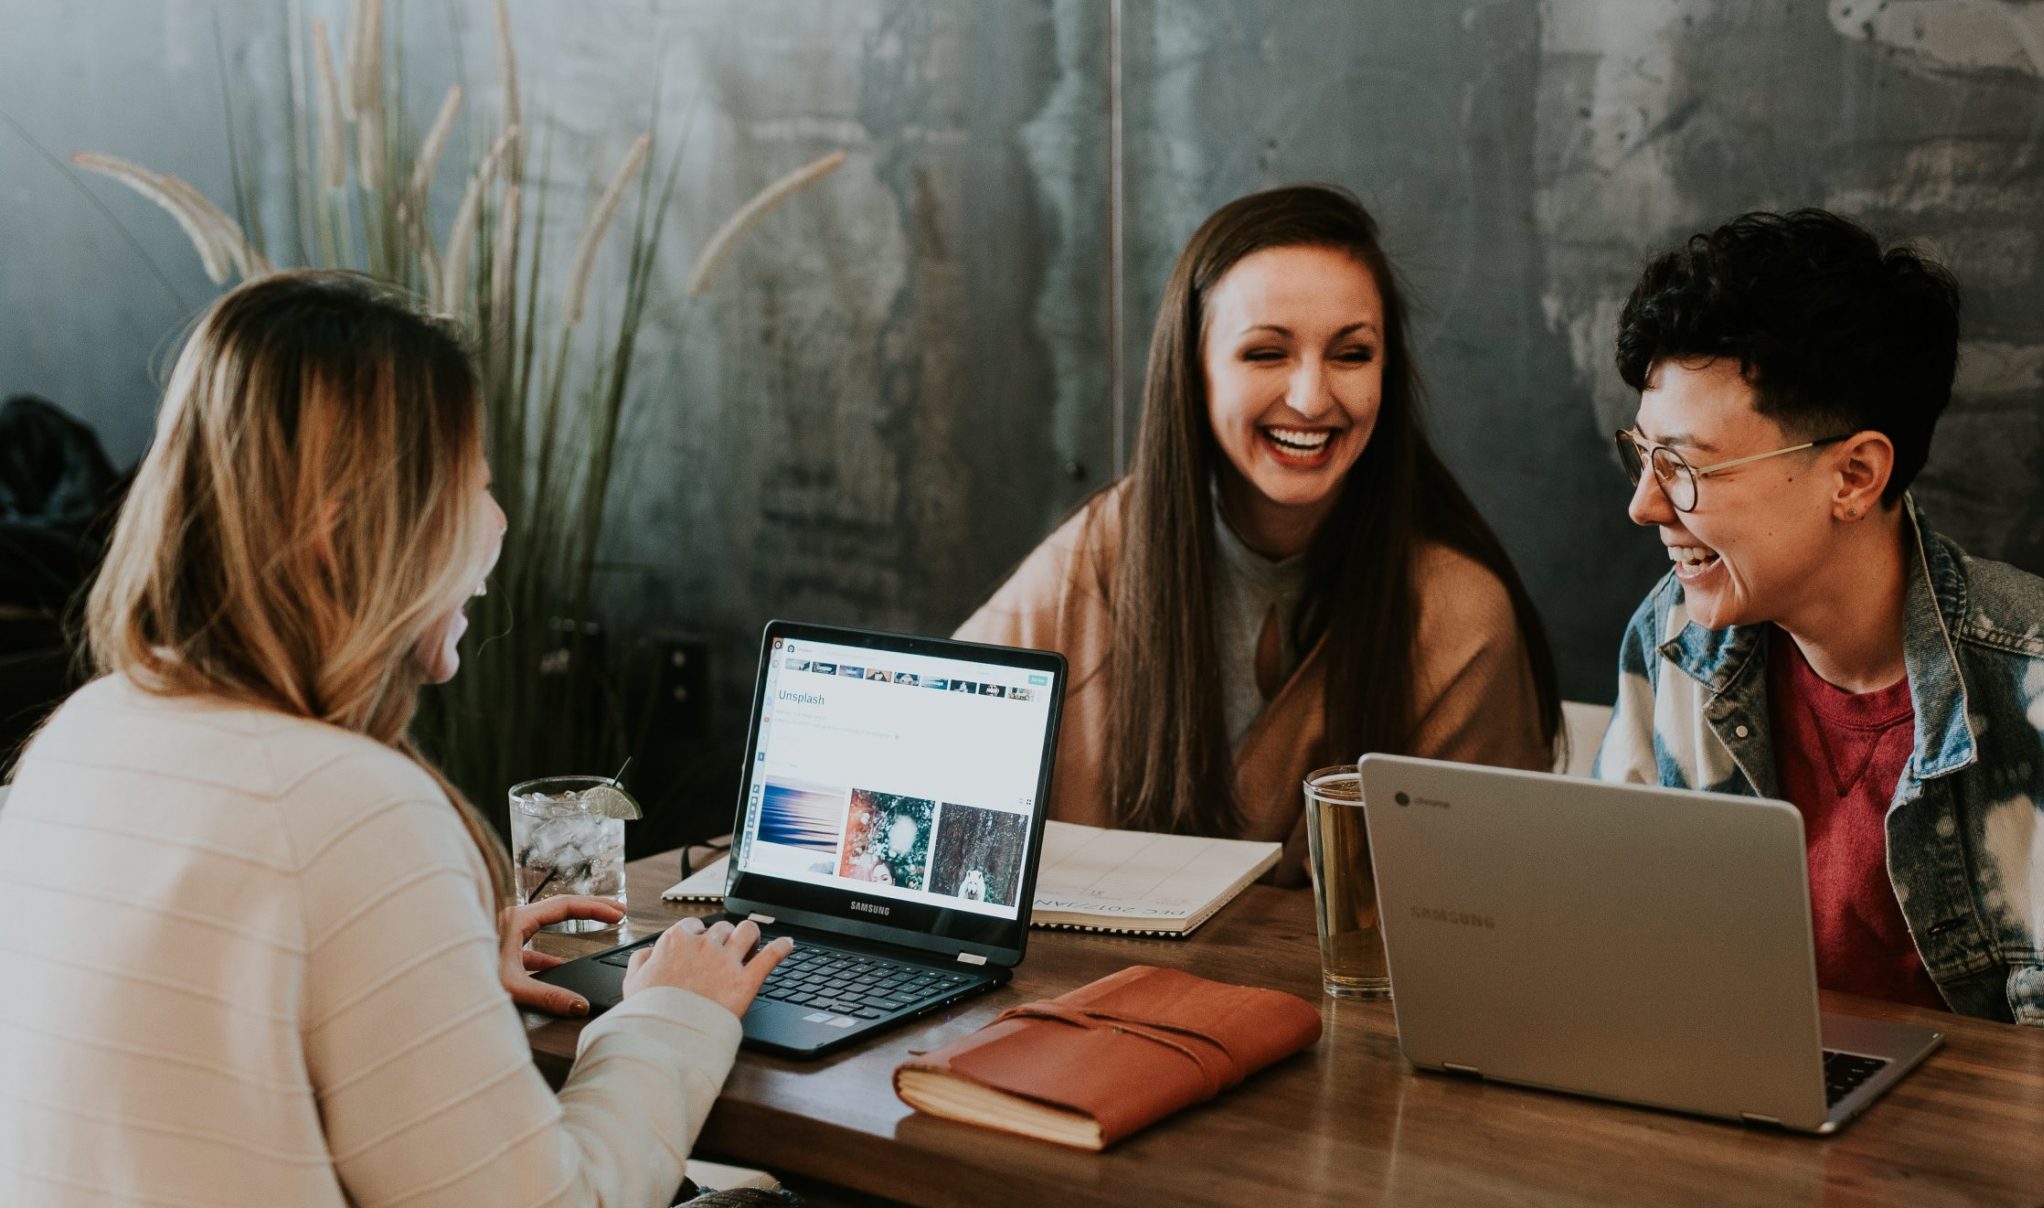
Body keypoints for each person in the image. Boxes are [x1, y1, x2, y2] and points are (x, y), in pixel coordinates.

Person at [1591, 209, 2044, 1206]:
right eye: (1639, 452)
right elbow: (1613, 951)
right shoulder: (1674, 645)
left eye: (1683, 465)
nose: (1645, 502)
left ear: (1854, 474)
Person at [0, 272, 793, 1206]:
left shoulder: (81, 735)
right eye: (474, 488)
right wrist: (669, 1016)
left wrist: (428, 968)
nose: (496, 527)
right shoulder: (352, 809)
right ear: (351, 532)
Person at [959, 184, 1559, 884]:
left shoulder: (1458, 616)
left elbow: (1484, 913)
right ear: (1194, 371)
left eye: (1352, 354)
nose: (1311, 397)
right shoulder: (1101, 551)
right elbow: (928, 743)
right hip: (1084, 992)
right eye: (1266, 354)